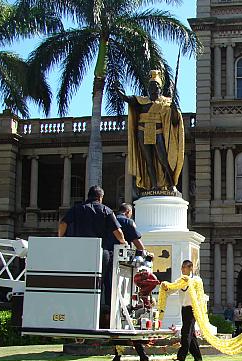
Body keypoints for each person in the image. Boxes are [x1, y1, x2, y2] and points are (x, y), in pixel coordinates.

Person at [58, 185, 125, 323]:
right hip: (99, 251)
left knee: (78, 282)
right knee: (99, 283)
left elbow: (63, 223)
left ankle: (76, 313)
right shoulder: (106, 210)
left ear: (88, 196)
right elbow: (117, 231)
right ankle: (97, 314)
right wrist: (123, 242)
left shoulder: (76, 209)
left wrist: (61, 239)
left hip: (78, 251)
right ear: (100, 197)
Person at [123, 70, 184, 192]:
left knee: (163, 159)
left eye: (155, 86)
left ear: (159, 88)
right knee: (149, 161)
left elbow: (175, 121)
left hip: (158, 131)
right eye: (151, 86)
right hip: (143, 131)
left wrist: (174, 109)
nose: (153, 89)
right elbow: (127, 99)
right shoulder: (142, 101)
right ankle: (154, 185)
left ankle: (171, 184)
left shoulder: (166, 102)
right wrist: (118, 90)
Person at [162, 260, 202, 361]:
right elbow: (172, 289)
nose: (183, 269)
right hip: (184, 308)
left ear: (191, 268)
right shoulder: (180, 281)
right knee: (191, 333)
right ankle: (198, 357)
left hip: (193, 308)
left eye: (185, 267)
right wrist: (166, 287)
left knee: (186, 332)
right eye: (182, 267)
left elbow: (199, 295)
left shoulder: (196, 280)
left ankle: (181, 356)